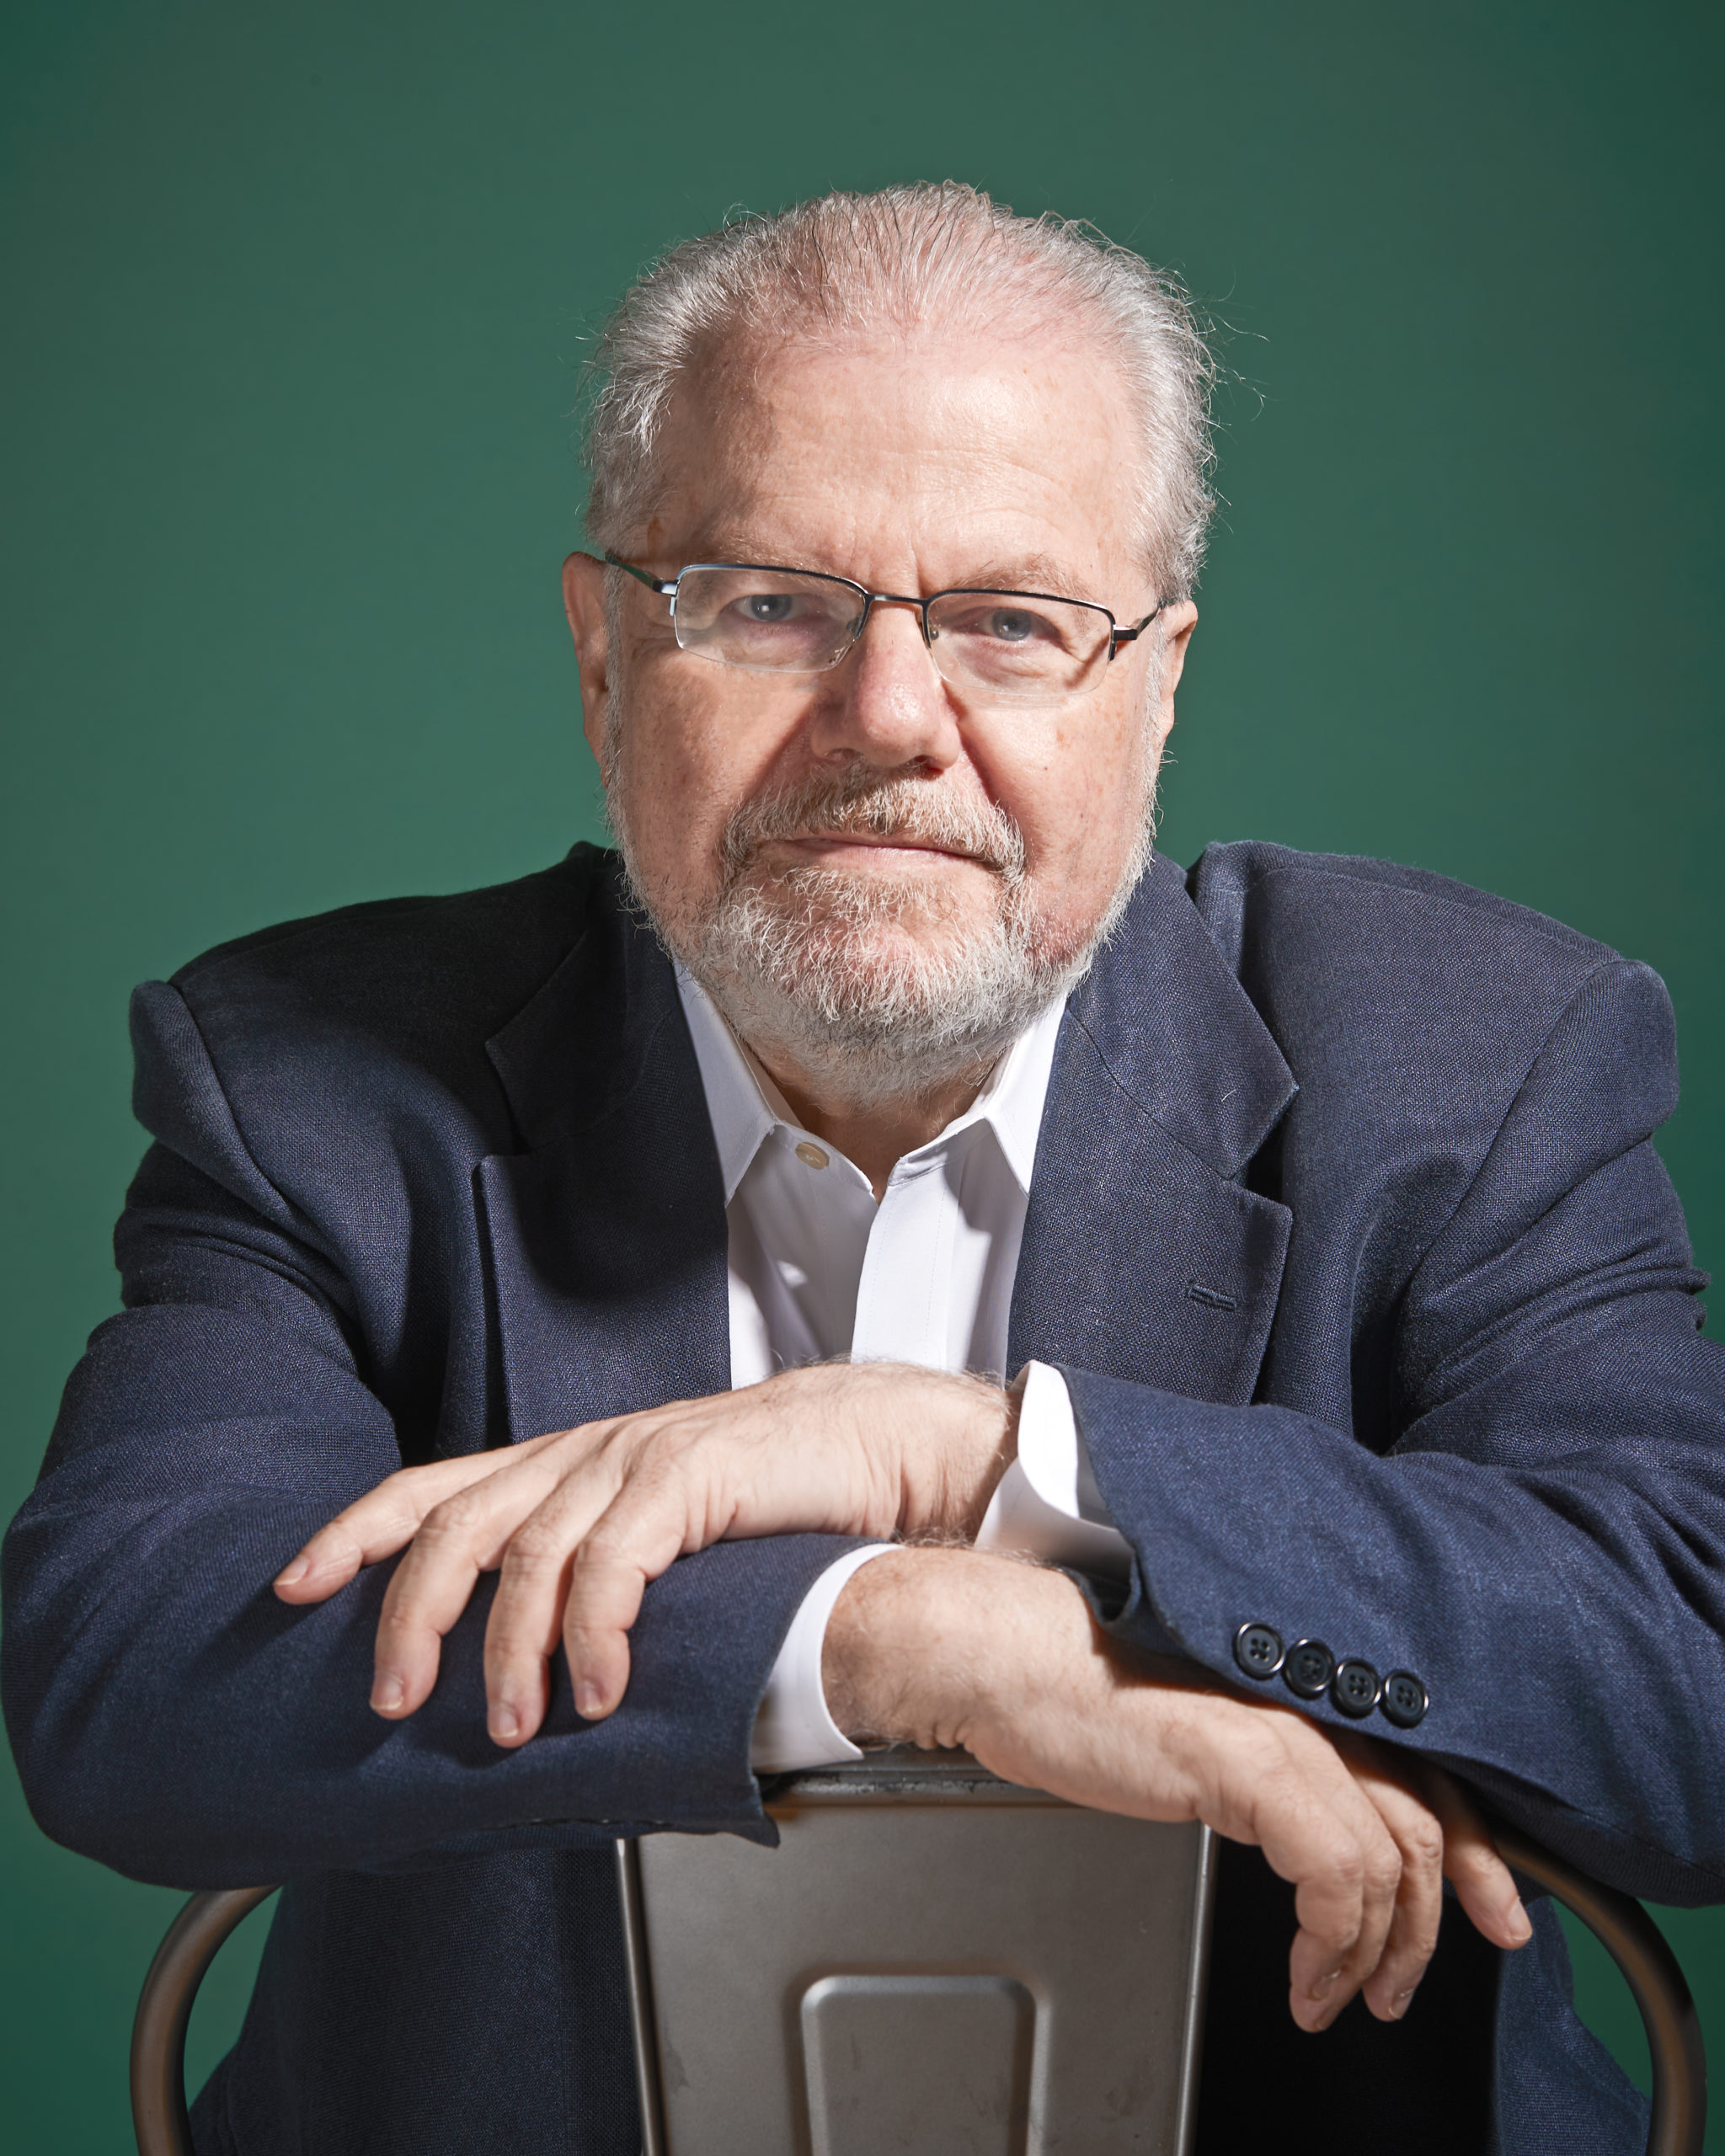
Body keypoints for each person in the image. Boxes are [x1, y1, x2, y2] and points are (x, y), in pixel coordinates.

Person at [4, 182, 1722, 2156]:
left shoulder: (1475, 1055)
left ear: (1156, 682)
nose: (891, 717)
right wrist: (896, 1634)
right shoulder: (309, 1075)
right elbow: (129, 1662)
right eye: (769, 603)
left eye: (1012, 622)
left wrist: (973, 1454)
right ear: (603, 653)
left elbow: (1695, 1678)